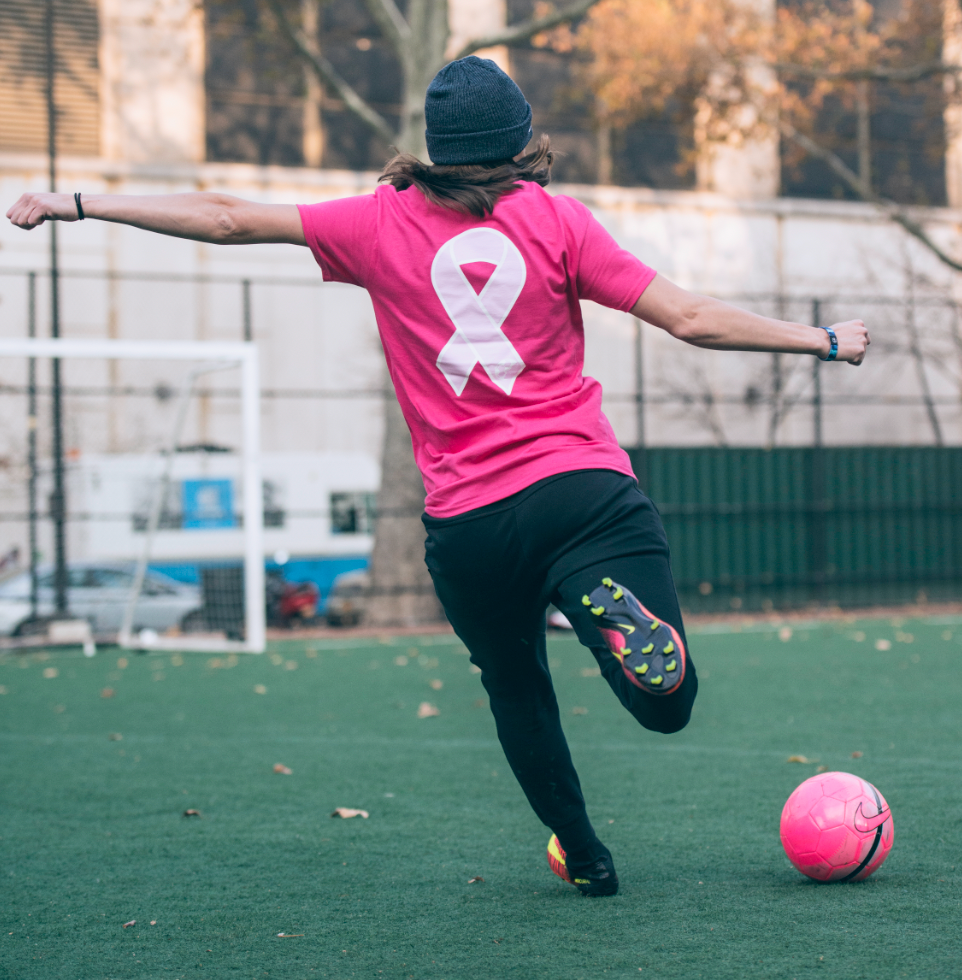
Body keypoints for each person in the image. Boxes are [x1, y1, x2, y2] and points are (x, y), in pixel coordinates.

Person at [7, 56, 869, 898]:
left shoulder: (379, 222)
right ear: (522, 140)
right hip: (581, 492)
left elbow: (227, 215)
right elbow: (689, 318)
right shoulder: (558, 222)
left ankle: (584, 853)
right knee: (666, 705)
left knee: (516, 688)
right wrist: (820, 339)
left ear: (435, 147)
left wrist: (79, 202)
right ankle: (609, 616)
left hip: (471, 522)